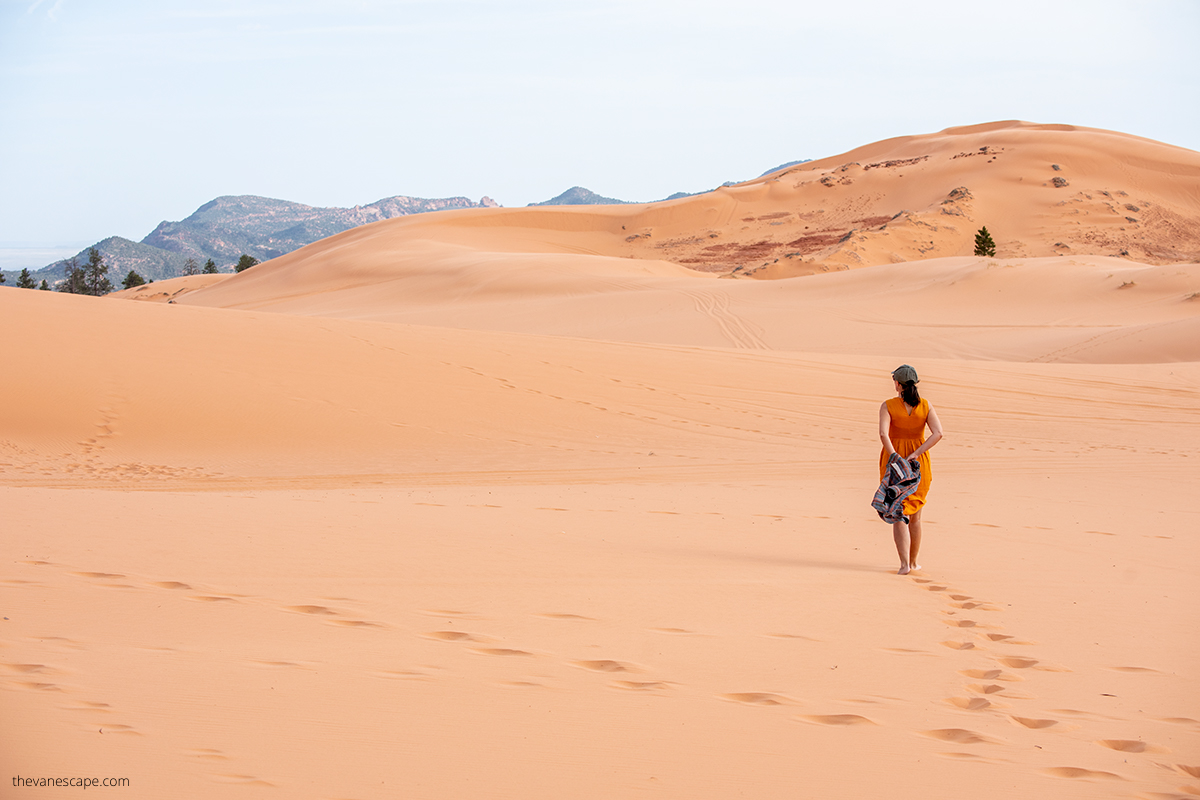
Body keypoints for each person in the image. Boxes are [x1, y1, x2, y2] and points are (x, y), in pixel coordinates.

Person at [879, 364, 943, 574]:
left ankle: (904, 564)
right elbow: (938, 433)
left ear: (898, 384)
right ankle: (914, 563)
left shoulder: (888, 405)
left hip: (894, 463)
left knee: (898, 512)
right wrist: (916, 453)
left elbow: (883, 434)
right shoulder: (926, 405)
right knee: (915, 515)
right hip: (918, 462)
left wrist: (894, 455)